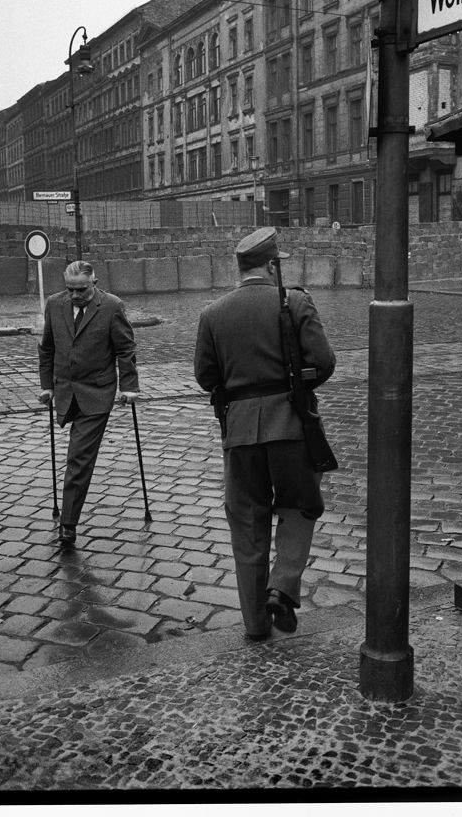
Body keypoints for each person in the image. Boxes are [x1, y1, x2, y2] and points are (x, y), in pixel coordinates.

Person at [194, 227, 336, 641]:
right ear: (273, 265)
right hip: (291, 426)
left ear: (239, 268)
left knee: (247, 524)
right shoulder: (294, 301)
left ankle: (256, 624)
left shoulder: (212, 313)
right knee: (300, 506)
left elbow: (205, 377)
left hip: (238, 433)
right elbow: (324, 362)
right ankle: (283, 586)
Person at [38, 260, 139, 546]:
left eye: (81, 289)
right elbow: (46, 348)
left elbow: (125, 348)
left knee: (78, 457)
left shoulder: (111, 306)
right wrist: (47, 386)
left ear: (94, 283)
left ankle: (68, 524)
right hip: (65, 390)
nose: (74, 295)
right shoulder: (55, 305)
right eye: (69, 289)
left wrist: (129, 386)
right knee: (75, 456)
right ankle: (68, 517)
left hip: (96, 393)